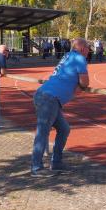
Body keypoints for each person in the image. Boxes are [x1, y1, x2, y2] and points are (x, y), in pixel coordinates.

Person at [30, 38, 90, 177]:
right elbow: (85, 81)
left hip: (48, 97)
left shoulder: (68, 56)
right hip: (49, 98)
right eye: (88, 48)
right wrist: (81, 86)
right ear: (82, 48)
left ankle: (56, 163)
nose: (89, 51)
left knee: (64, 129)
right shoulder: (80, 58)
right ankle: (36, 168)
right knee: (42, 132)